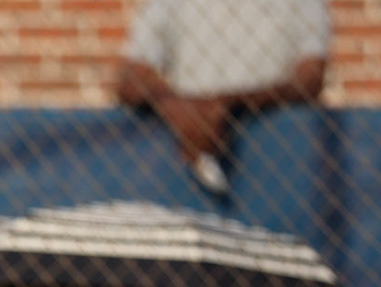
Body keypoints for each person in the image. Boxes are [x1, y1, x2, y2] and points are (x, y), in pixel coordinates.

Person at [116, 0, 328, 195]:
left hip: (282, 157)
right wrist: (173, 105)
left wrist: (225, 105)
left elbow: (310, 79)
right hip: (192, 153)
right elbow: (129, 78)